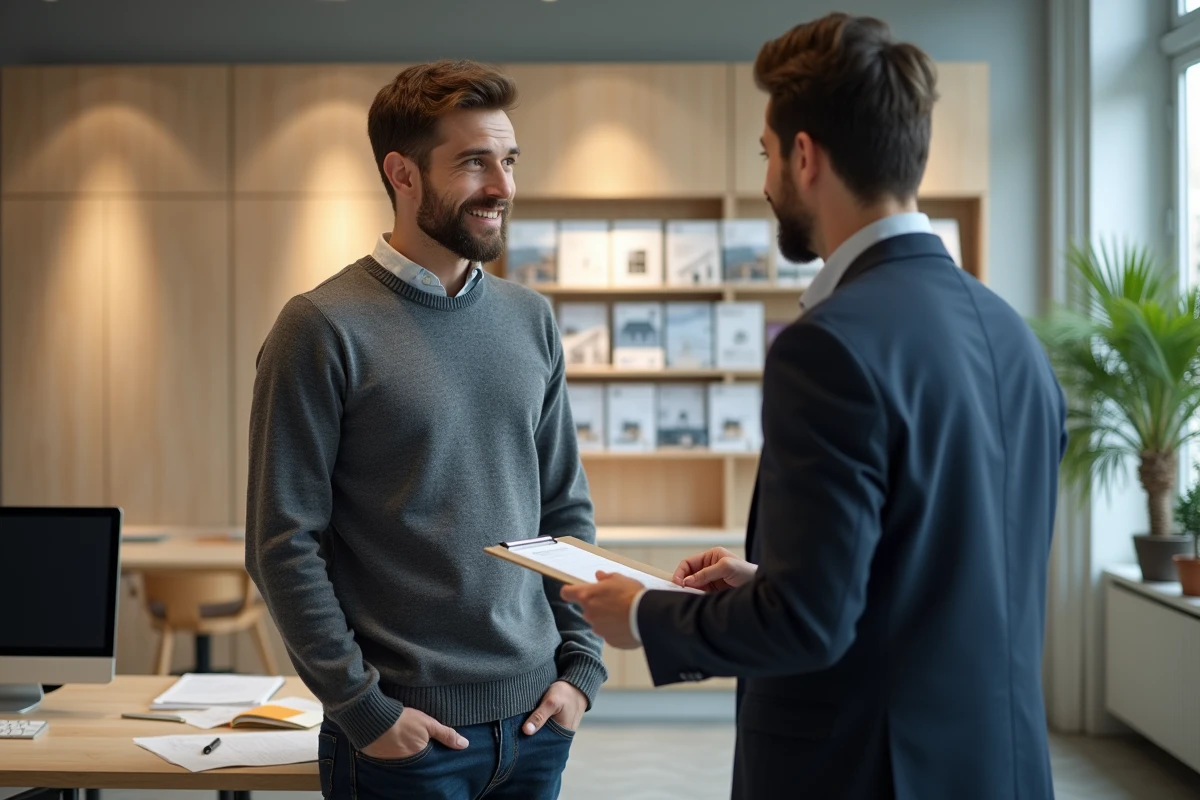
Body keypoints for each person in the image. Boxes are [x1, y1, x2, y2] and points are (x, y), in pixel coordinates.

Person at [562, 13, 1066, 800]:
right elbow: (936, 576)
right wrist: (770, 578)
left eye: (765, 154)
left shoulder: (827, 346)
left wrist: (646, 617)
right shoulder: (1012, 334)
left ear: (804, 157)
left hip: (862, 771)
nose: (766, 181)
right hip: (995, 768)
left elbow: (809, 625)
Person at [245, 60, 606, 800]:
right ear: (402, 173)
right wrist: (363, 710)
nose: (503, 185)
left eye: (508, 159)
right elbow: (283, 544)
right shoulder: (319, 328)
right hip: (404, 737)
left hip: (537, 726)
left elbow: (564, 512)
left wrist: (580, 672)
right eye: (475, 162)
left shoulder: (529, 320)